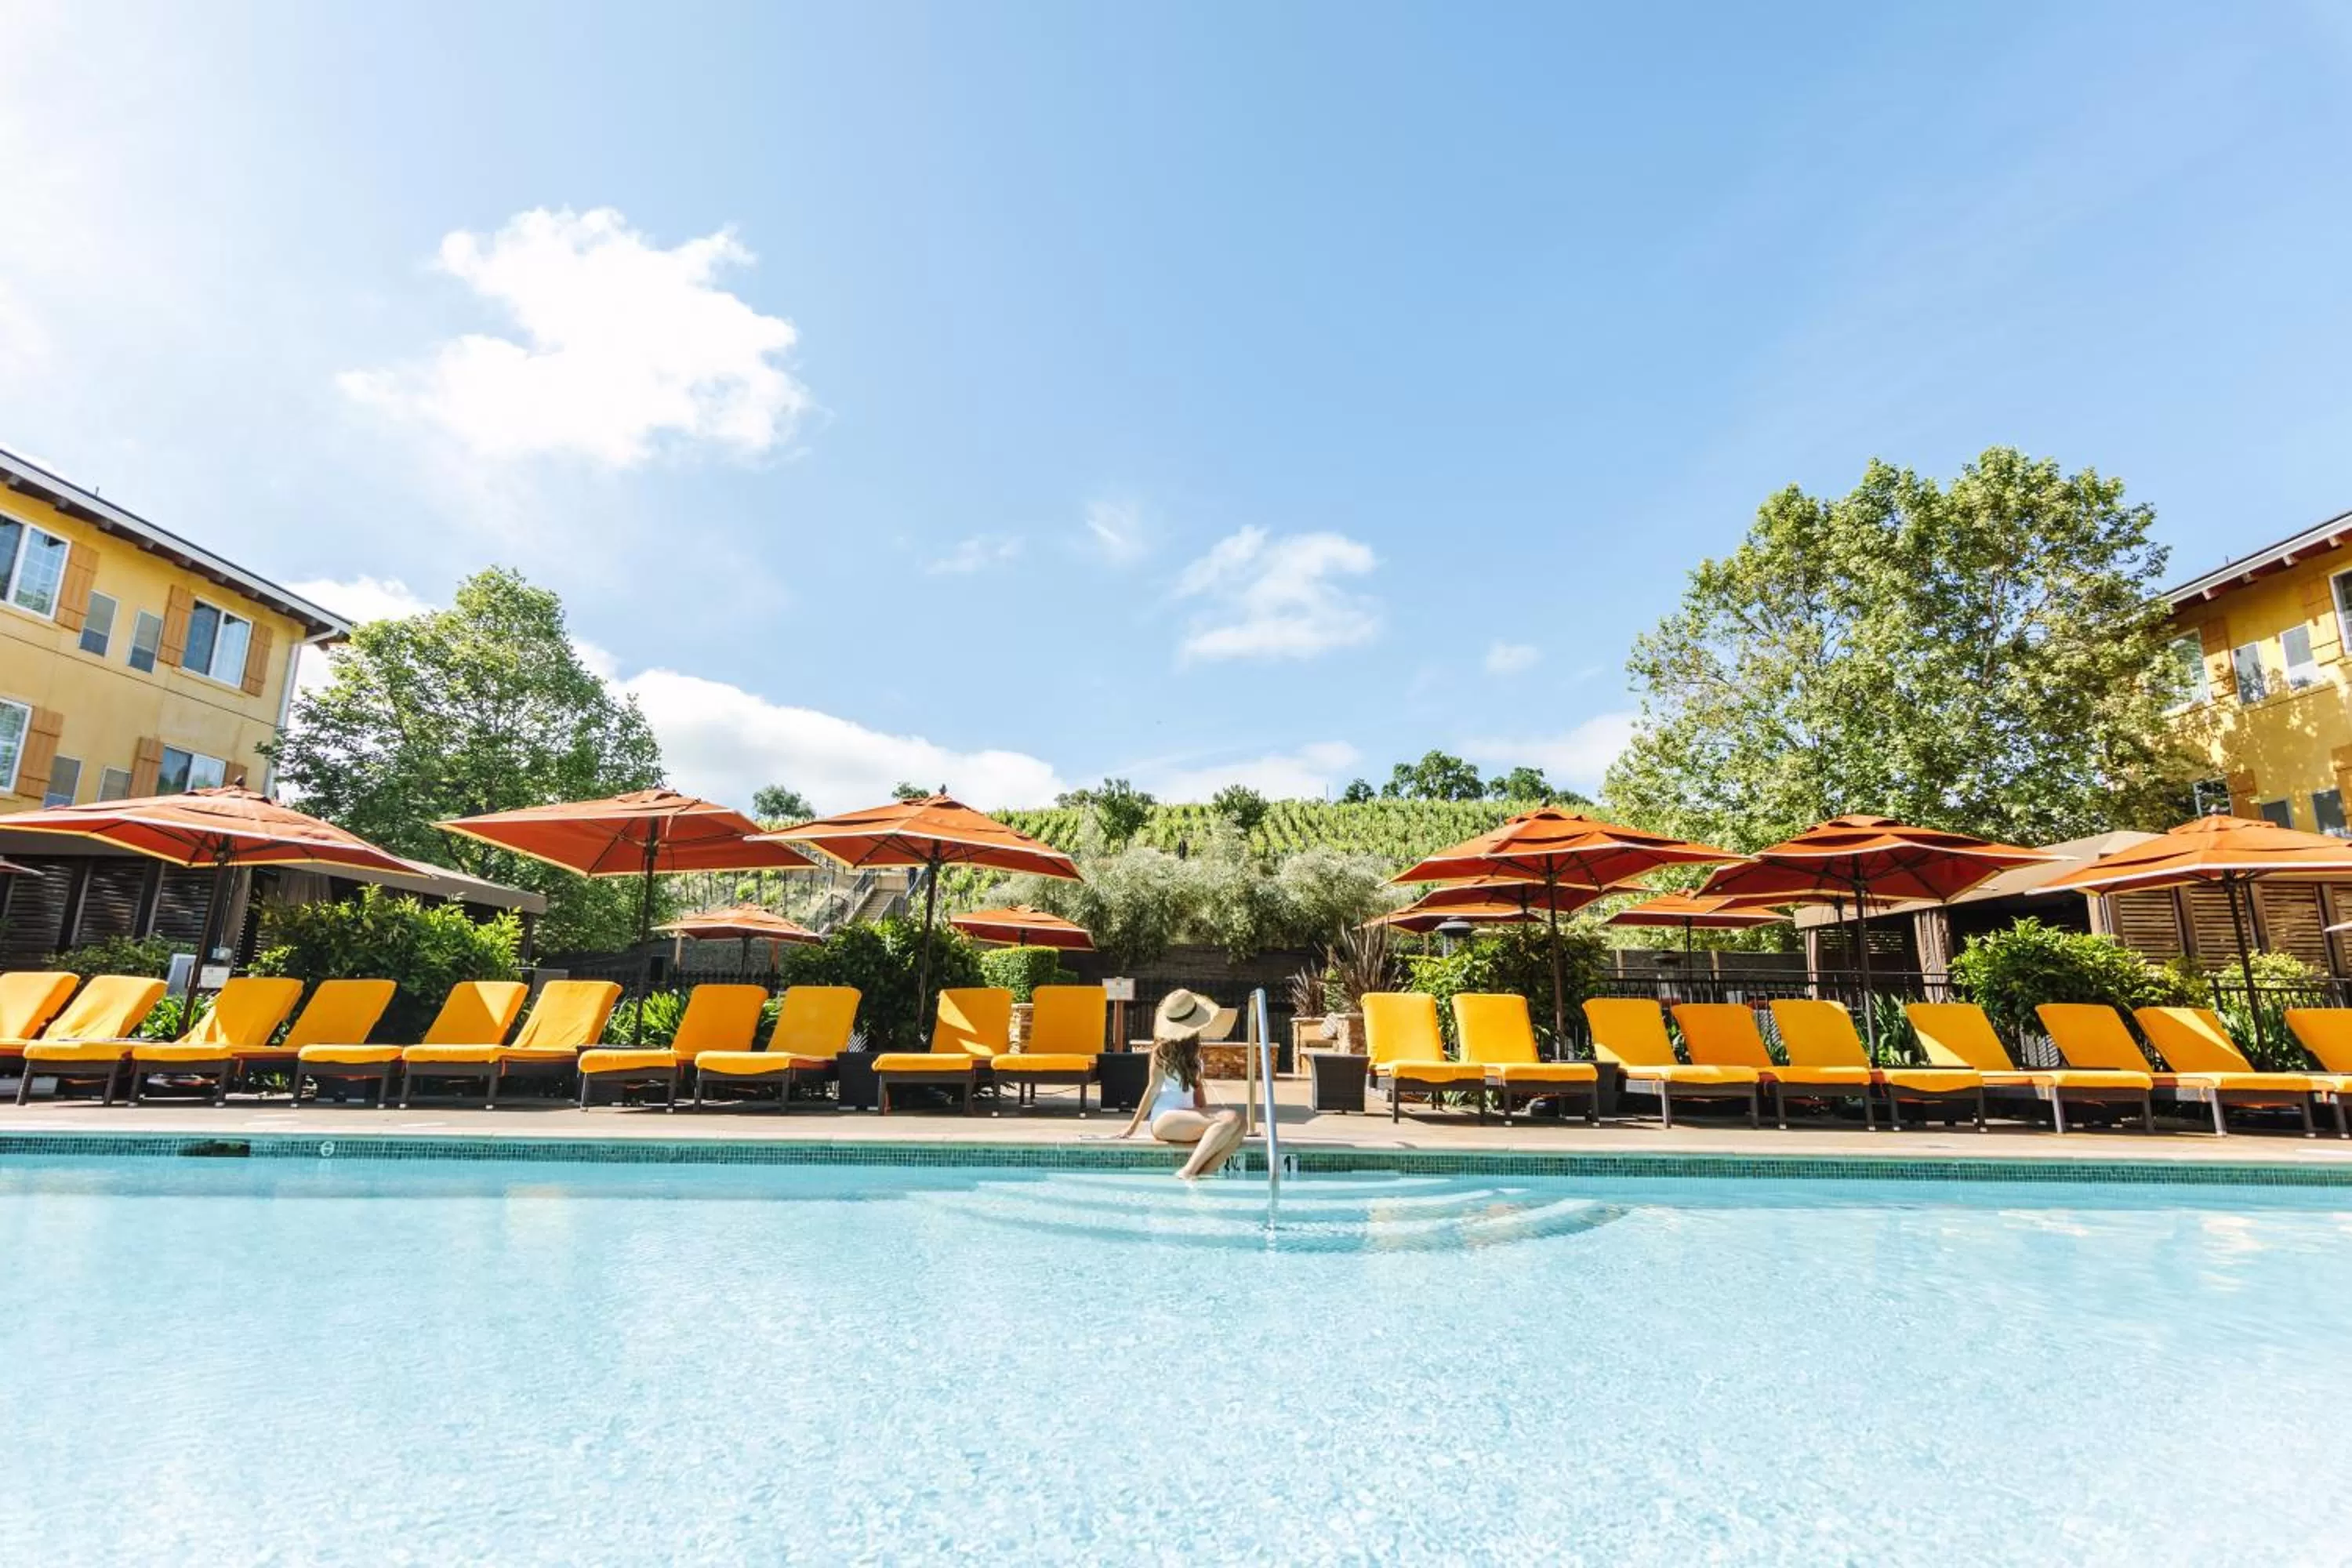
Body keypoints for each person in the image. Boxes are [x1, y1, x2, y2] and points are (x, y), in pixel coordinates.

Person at [1116, 987, 1245, 1178]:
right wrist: (1132, 1127)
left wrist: (1205, 1112)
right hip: (1165, 1119)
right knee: (1228, 1120)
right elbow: (1152, 1090)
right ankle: (1188, 1172)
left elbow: (1197, 1091)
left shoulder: (1194, 1053)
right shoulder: (1162, 1052)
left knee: (1240, 1123)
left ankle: (1204, 1175)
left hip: (1187, 1116)